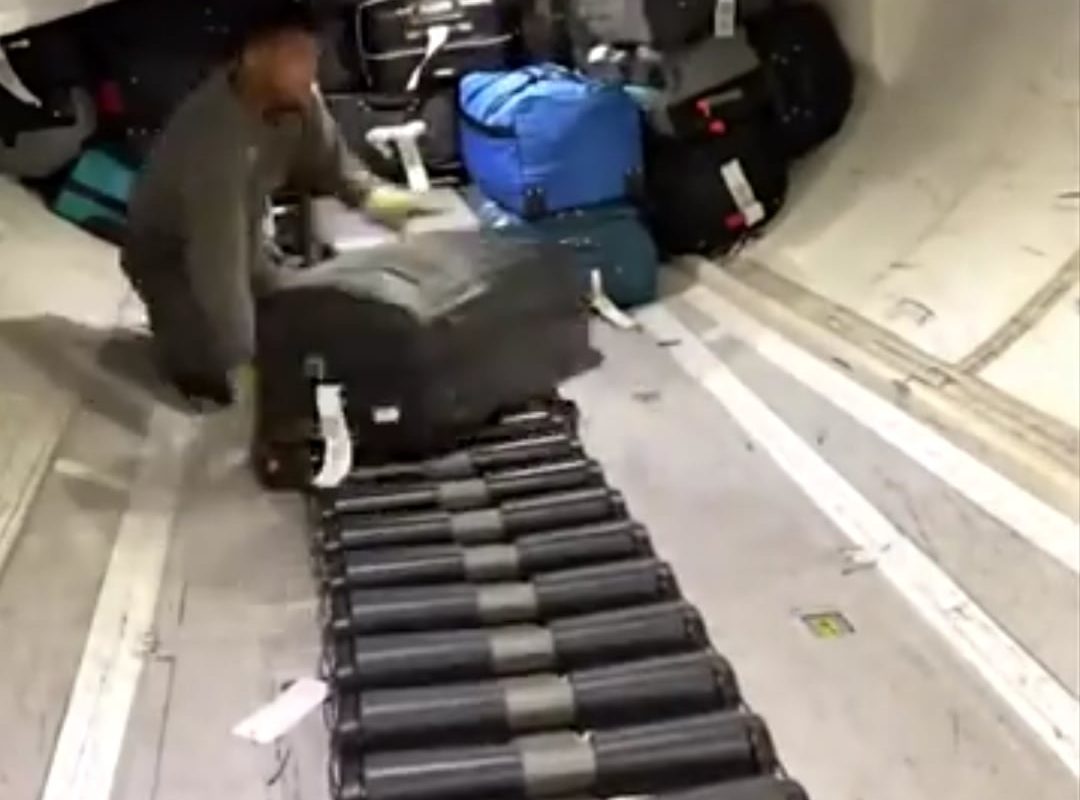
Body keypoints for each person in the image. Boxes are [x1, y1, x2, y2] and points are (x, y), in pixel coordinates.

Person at [121, 1, 424, 408]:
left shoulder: (299, 100)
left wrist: (387, 202)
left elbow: (336, 168)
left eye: (312, 55)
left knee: (307, 317)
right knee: (221, 363)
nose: (310, 69)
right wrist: (243, 363)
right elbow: (217, 266)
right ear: (254, 58)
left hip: (244, 239)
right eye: (295, 56)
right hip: (173, 259)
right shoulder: (215, 142)